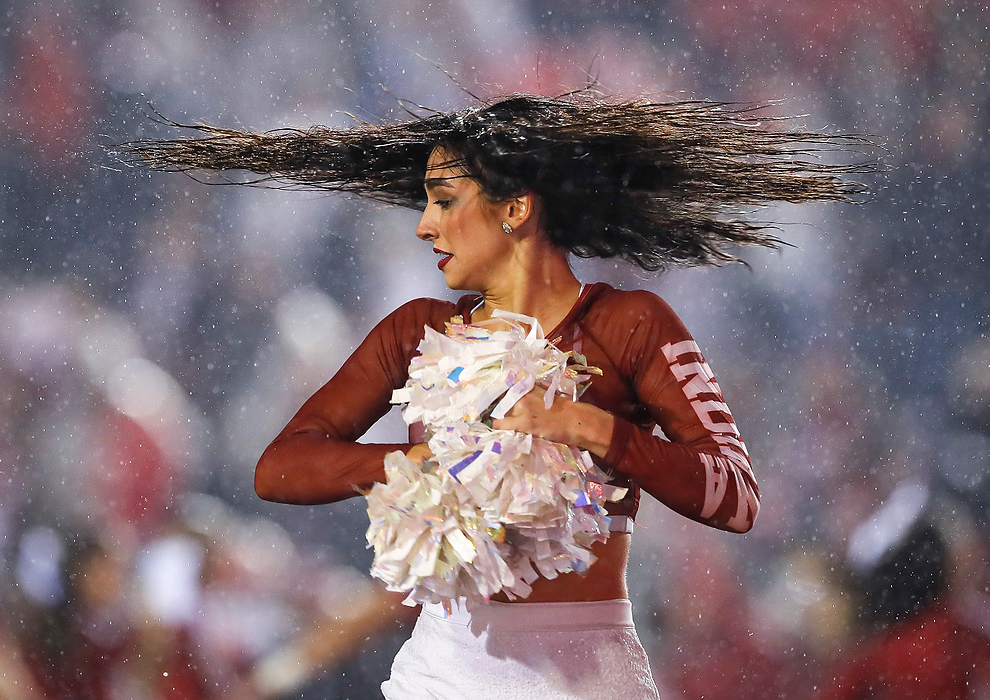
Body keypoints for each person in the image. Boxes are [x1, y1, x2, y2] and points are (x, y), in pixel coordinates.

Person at [128, 94, 868, 699]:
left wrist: (593, 429)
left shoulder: (631, 327)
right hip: (443, 677)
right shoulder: (417, 331)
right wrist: (414, 466)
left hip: (587, 679)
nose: (425, 226)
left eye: (446, 203)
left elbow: (736, 499)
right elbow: (280, 468)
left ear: (515, 210)